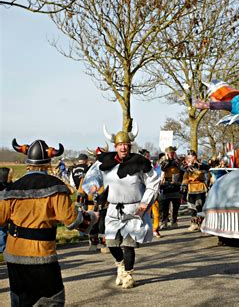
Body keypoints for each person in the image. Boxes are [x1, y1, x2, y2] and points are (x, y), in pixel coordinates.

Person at [0, 139, 97, 306]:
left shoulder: (11, 189)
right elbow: (72, 221)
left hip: (15, 256)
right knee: (51, 300)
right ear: (49, 163)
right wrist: (92, 217)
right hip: (41, 255)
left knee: (21, 299)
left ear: (27, 162)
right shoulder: (55, 187)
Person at [82, 128, 160, 289]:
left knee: (129, 244)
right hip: (113, 209)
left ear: (130, 146)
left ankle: (129, 274)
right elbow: (91, 176)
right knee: (111, 243)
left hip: (134, 208)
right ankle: (120, 266)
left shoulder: (140, 162)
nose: (123, 147)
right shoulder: (105, 161)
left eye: (126, 144)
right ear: (115, 146)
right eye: (120, 145)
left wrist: (145, 203)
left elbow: (153, 182)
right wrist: (93, 187)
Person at [181, 150, 209, 232]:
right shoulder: (186, 166)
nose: (189, 158)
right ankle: (194, 224)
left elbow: (202, 172)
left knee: (199, 206)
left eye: (191, 157)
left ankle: (202, 224)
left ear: (195, 157)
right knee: (191, 207)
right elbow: (185, 177)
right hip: (191, 189)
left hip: (200, 188)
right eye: (188, 157)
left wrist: (194, 167)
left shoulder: (201, 165)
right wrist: (184, 184)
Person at [159, 146, 184, 230]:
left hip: (176, 183)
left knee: (176, 205)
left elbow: (179, 166)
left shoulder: (177, 160)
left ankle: (174, 221)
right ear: (167, 153)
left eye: (173, 153)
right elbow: (163, 167)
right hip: (166, 184)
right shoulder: (163, 161)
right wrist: (167, 159)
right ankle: (164, 222)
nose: (171, 154)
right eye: (170, 153)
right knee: (164, 205)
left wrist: (175, 159)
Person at [0, 167, 13, 254]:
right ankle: (3, 248)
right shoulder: (7, 187)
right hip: (3, 211)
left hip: (4, 210)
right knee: (2, 230)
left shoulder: (8, 185)